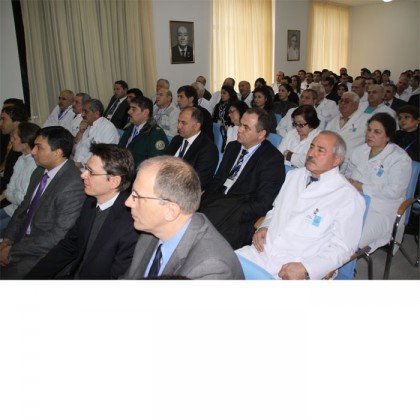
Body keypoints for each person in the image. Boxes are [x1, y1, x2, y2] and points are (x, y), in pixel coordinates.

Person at [236, 131, 365, 280]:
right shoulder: (294, 175)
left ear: (337, 160)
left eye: (320, 150)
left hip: (297, 265)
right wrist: (265, 226)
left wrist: (307, 268)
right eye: (311, 147)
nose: (311, 153)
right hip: (263, 250)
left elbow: (343, 248)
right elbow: (276, 210)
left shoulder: (348, 197)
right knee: (221, 266)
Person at [26, 144, 139, 279]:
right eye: (86, 168)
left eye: (91, 172)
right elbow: (69, 245)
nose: (83, 175)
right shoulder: (90, 201)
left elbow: (116, 278)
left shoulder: (131, 224)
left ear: (114, 181)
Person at [123, 156, 244, 279]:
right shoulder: (151, 229)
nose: (128, 202)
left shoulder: (210, 268)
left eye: (137, 196)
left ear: (170, 211)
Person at [0, 126, 85, 279]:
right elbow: (23, 209)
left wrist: (11, 251)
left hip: (40, 253)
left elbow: (57, 237)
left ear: (57, 152)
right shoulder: (40, 171)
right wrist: (7, 240)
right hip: (20, 241)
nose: (33, 152)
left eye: (39, 147)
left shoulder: (73, 184)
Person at [200, 108, 285, 249]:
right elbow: (217, 181)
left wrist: (228, 211)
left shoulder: (272, 159)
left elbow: (263, 203)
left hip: (239, 216)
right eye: (240, 124)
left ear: (261, 134)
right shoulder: (232, 147)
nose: (239, 129)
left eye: (246, 127)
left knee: (205, 243)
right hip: (216, 204)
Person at [344, 113, 411, 252]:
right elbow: (348, 173)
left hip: (380, 209)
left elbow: (394, 192)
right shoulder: (360, 150)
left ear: (388, 136)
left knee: (352, 239)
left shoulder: (399, 159)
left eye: (377, 132)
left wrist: (361, 187)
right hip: (353, 201)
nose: (370, 134)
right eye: (369, 130)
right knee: (327, 226)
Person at [0, 122, 39, 234]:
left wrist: (10, 194)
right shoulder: (21, 159)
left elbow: (24, 200)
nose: (11, 140)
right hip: (12, 208)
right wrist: (12, 193)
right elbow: (10, 187)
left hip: (23, 215)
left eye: (14, 138)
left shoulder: (35, 165)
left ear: (25, 142)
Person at [166, 107, 218, 190]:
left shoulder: (208, 149)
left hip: (183, 191)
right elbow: (164, 163)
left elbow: (199, 182)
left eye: (183, 123)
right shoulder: (176, 140)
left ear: (196, 126)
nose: (178, 126)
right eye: (178, 122)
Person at [119, 96, 168, 169]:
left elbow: (155, 164)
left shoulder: (156, 134)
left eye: (133, 109)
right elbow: (119, 149)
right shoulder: (130, 127)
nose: (129, 112)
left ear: (145, 112)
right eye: (130, 108)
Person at [73, 99, 119, 168]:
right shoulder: (88, 125)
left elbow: (103, 154)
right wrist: (80, 132)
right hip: (76, 166)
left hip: (91, 169)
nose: (82, 114)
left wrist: (81, 164)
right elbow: (75, 147)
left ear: (96, 114)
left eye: (86, 111)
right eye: (82, 111)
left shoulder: (107, 128)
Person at [0, 105, 30, 195]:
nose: (0, 124)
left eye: (3, 119)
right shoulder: (5, 138)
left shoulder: (24, 145)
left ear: (16, 122)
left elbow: (11, 181)